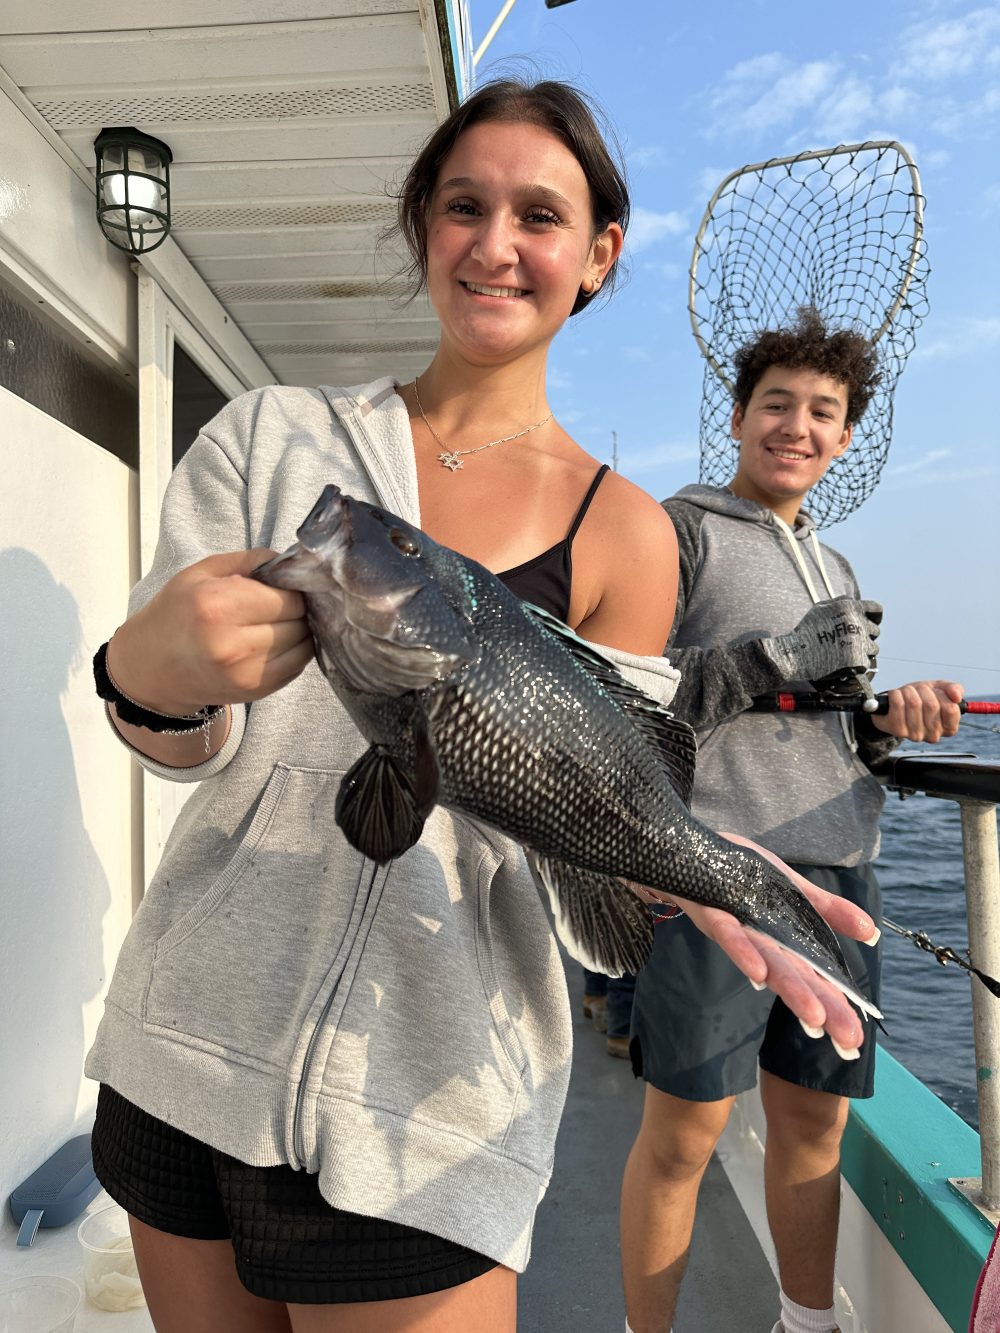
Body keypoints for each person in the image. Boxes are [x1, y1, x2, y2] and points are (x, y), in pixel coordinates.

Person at [85, 86, 877, 1333]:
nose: (495, 242)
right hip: (185, 1047)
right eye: (464, 205)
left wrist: (687, 871)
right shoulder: (275, 439)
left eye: (540, 215)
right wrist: (147, 668)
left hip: (430, 1101)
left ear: (598, 254)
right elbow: (181, 746)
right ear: (422, 227)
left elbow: (604, 794)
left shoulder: (627, 529)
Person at [619, 307, 965, 1333]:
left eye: (823, 411)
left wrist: (891, 727)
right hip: (717, 871)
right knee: (683, 1134)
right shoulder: (674, 534)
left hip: (843, 871)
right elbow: (631, 695)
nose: (797, 426)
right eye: (777, 404)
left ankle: (805, 1324)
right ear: (736, 417)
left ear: (845, 436)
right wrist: (773, 659)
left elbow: (834, 728)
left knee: (815, 1119)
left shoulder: (840, 568)